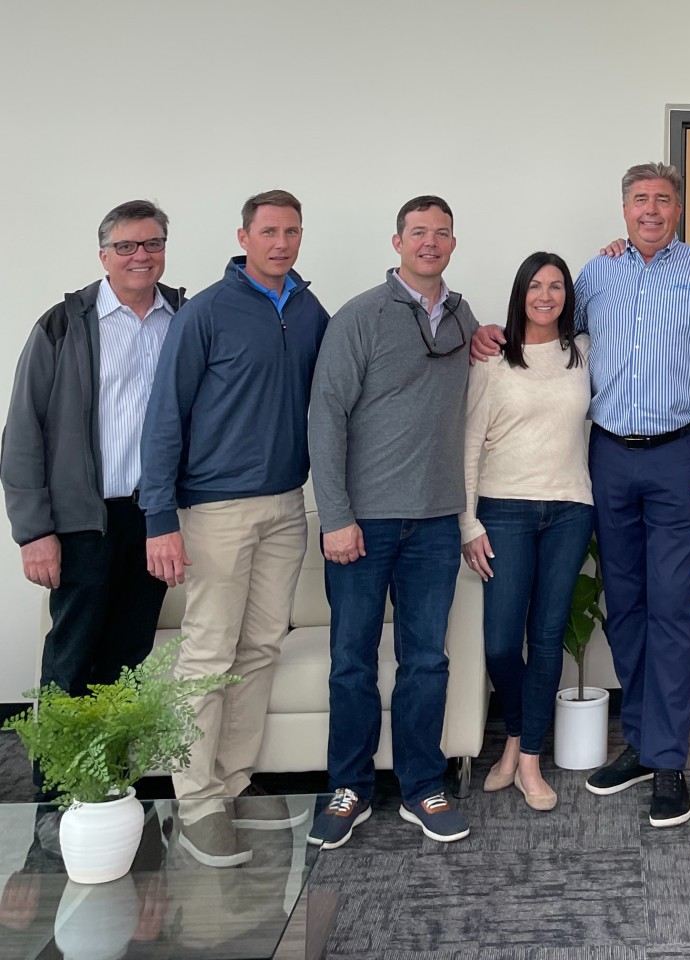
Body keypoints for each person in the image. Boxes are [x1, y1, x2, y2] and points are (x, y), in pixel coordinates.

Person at [475, 162, 690, 827]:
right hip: (607, 456)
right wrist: (483, 335)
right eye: (640, 201)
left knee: (669, 607)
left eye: (664, 200)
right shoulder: (596, 273)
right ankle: (639, 738)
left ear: (680, 208)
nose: (652, 210)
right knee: (624, 605)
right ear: (624, 209)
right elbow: (543, 334)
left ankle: (668, 762)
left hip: (683, 456)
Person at [141, 189, 327, 866]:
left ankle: (237, 781)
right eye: (270, 231)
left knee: (260, 650)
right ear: (244, 236)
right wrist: (160, 518)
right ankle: (196, 801)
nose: (282, 243)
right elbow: (165, 418)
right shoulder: (207, 313)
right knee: (207, 656)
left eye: (292, 232)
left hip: (286, 505)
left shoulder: (308, 311)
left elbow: (344, 388)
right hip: (214, 510)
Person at [306, 196, 477, 848]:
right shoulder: (360, 317)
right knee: (351, 661)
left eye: (441, 234)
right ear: (397, 241)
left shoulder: (462, 318)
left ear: (454, 244)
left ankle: (423, 788)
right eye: (418, 233)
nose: (429, 243)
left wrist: (489, 336)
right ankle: (348, 788)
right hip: (364, 525)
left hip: (435, 522)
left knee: (426, 662)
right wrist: (337, 516)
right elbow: (325, 418)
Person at [2, 201, 180, 736]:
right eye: (126, 246)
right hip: (83, 519)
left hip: (152, 517)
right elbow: (22, 431)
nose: (140, 256)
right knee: (72, 654)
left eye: (151, 244)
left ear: (164, 251)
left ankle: (113, 790)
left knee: (129, 659)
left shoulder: (186, 319)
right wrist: (34, 531)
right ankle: (57, 799)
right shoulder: (63, 324)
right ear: (104, 256)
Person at [461, 252, 593, 813]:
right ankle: (515, 734)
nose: (546, 295)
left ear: (567, 295)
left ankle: (530, 758)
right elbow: (468, 446)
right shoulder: (491, 360)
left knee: (545, 640)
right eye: (535, 286)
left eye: (556, 286)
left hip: (569, 509)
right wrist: (468, 522)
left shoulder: (584, 353)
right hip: (504, 512)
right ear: (520, 294)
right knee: (499, 642)